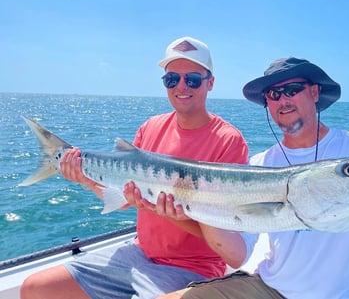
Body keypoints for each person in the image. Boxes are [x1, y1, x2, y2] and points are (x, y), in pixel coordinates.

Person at [159, 57, 349, 299]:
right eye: (274, 94)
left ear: (314, 92)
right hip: (271, 289)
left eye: (291, 90)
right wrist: (196, 207)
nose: (282, 100)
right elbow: (237, 254)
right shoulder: (260, 165)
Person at [20, 36, 249, 299]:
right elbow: (124, 200)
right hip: (137, 253)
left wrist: (170, 214)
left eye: (193, 79)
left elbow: (224, 232)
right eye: (172, 78)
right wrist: (85, 178)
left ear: (210, 83)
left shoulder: (228, 141)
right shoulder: (150, 128)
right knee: (35, 288)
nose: (181, 86)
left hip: (192, 268)